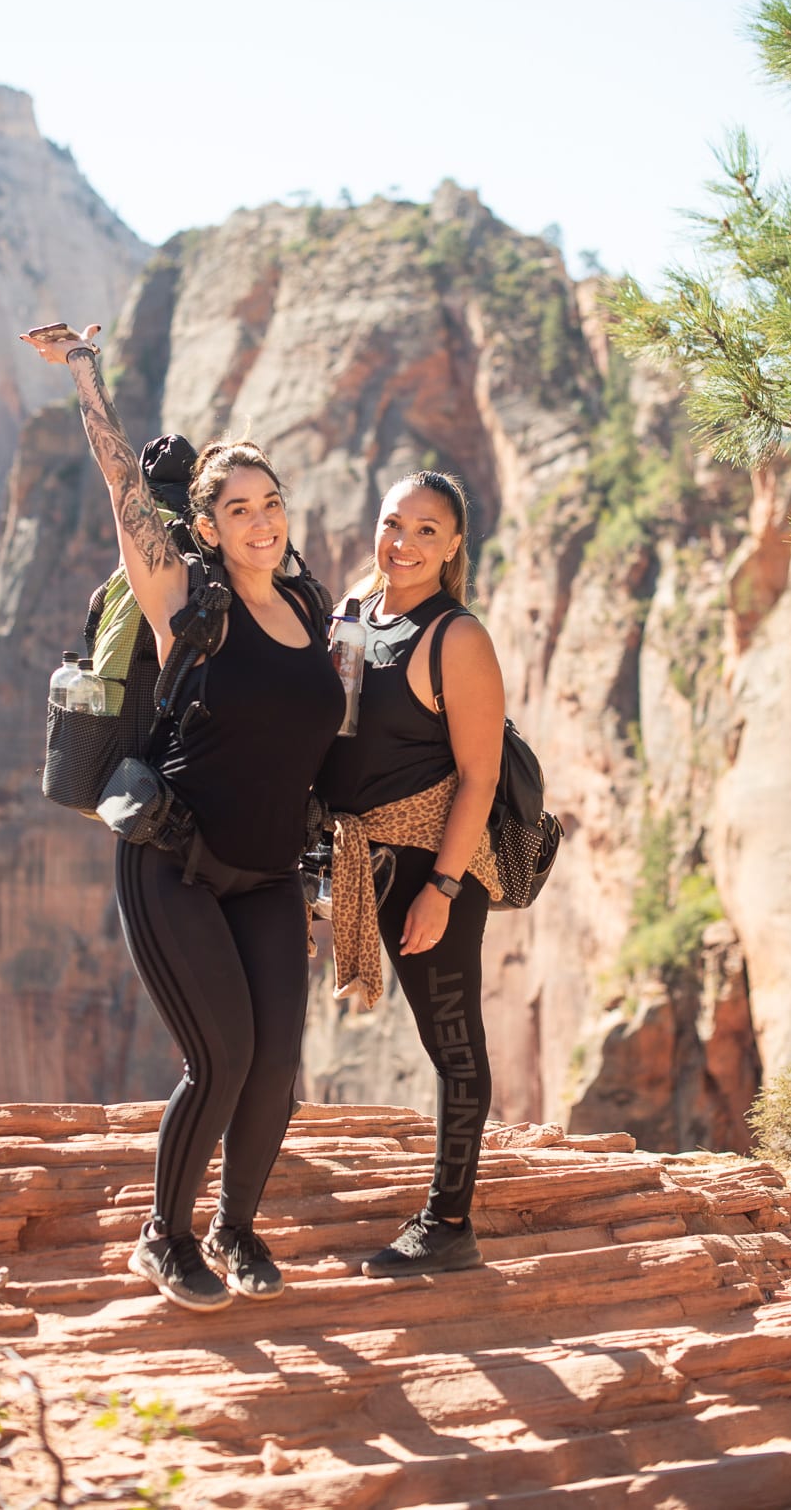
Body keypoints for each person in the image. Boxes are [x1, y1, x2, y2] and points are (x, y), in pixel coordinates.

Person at [21, 323, 344, 1312]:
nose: (259, 522)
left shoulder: (310, 609)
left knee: (278, 1065)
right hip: (172, 862)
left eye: (271, 503)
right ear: (206, 527)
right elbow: (127, 495)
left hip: (269, 875)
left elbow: (315, 755)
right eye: (237, 509)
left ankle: (234, 1227)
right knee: (225, 1056)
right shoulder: (187, 605)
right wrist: (88, 376)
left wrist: (327, 872)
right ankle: (164, 1237)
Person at [316, 470, 506, 1278]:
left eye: (429, 530)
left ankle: (448, 1221)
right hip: (355, 855)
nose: (406, 543)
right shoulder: (352, 619)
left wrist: (443, 887)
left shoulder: (456, 637)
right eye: (395, 523)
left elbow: (481, 777)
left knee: (451, 1042)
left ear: (455, 546)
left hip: (431, 864)